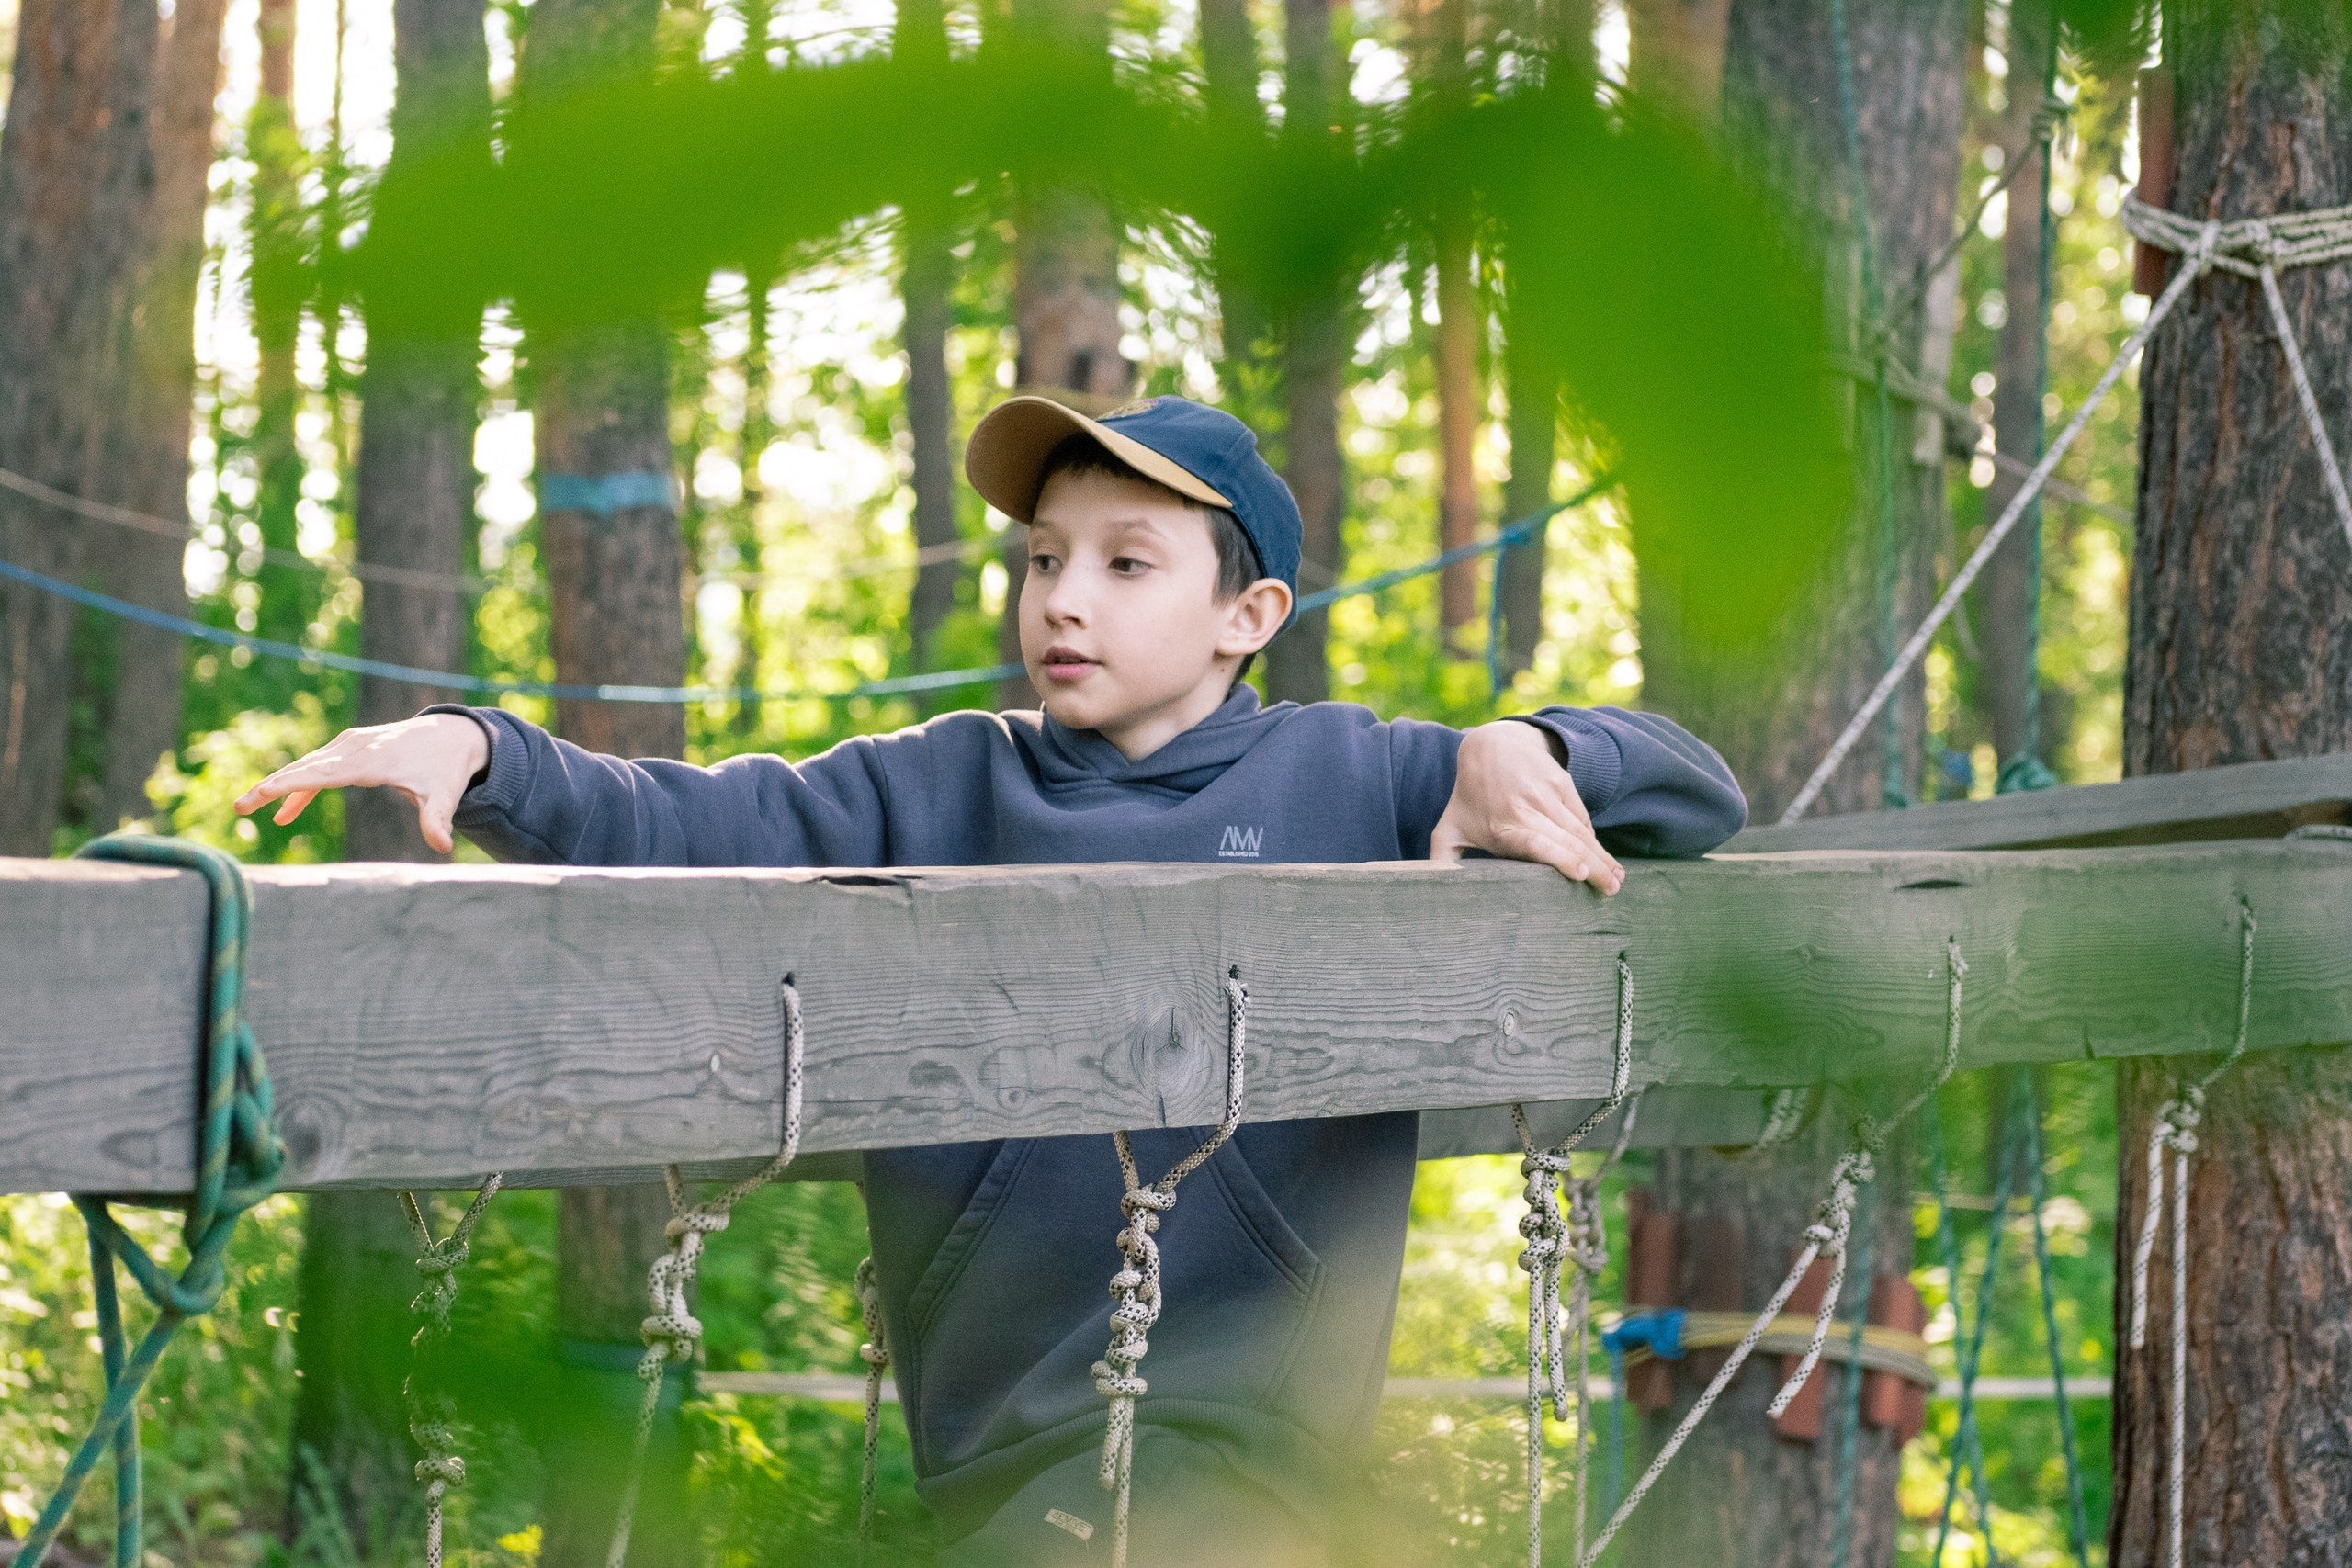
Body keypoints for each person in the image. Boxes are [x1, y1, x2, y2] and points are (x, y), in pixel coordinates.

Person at [235, 393, 1745, 1565]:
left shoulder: (1361, 778)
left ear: (1249, 618)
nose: (1061, 600)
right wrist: (486, 753)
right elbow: (692, 818)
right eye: (1043, 560)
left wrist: (1530, 748)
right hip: (992, 1460)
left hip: (1247, 1453)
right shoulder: (942, 784)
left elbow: (1698, 789)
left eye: (1124, 563)